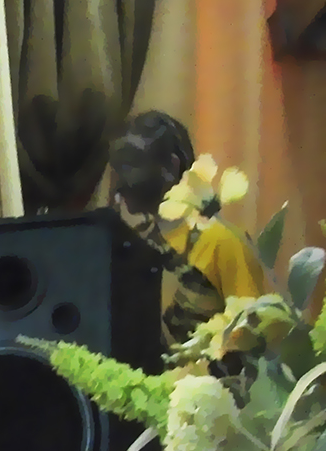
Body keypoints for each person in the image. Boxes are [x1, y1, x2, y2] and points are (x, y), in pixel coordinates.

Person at [108, 109, 268, 349]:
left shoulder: (220, 241)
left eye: (133, 164)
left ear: (171, 167)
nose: (121, 182)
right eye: (118, 167)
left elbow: (254, 335)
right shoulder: (130, 244)